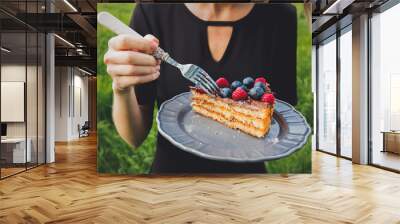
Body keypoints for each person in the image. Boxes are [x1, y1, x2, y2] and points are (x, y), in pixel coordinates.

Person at [104, 3, 297, 173]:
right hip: (171, 182)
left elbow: (280, 122)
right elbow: (134, 138)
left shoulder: (281, 16)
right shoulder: (152, 11)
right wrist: (121, 88)